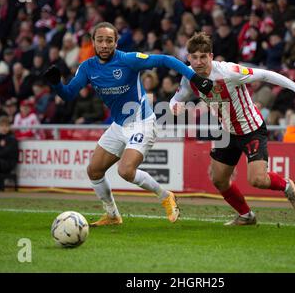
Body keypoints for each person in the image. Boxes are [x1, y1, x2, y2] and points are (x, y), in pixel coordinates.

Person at [43, 22, 213, 226]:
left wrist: (194, 77)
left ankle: (166, 196)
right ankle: (112, 215)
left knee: (125, 170)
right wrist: (56, 84)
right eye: (100, 40)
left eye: (109, 40)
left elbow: (166, 60)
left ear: (116, 42)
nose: (104, 45)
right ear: (93, 42)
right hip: (118, 125)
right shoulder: (88, 67)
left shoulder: (128, 60)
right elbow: (69, 94)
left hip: (142, 122)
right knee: (94, 171)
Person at [169, 32, 295, 225]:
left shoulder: (229, 72)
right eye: (194, 57)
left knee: (257, 180)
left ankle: (287, 186)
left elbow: (265, 74)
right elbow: (177, 98)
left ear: (211, 56)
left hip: (251, 129)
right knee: (218, 179)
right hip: (227, 132)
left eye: (203, 57)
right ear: (189, 58)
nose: (199, 62)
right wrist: (175, 105)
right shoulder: (188, 77)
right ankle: (246, 215)